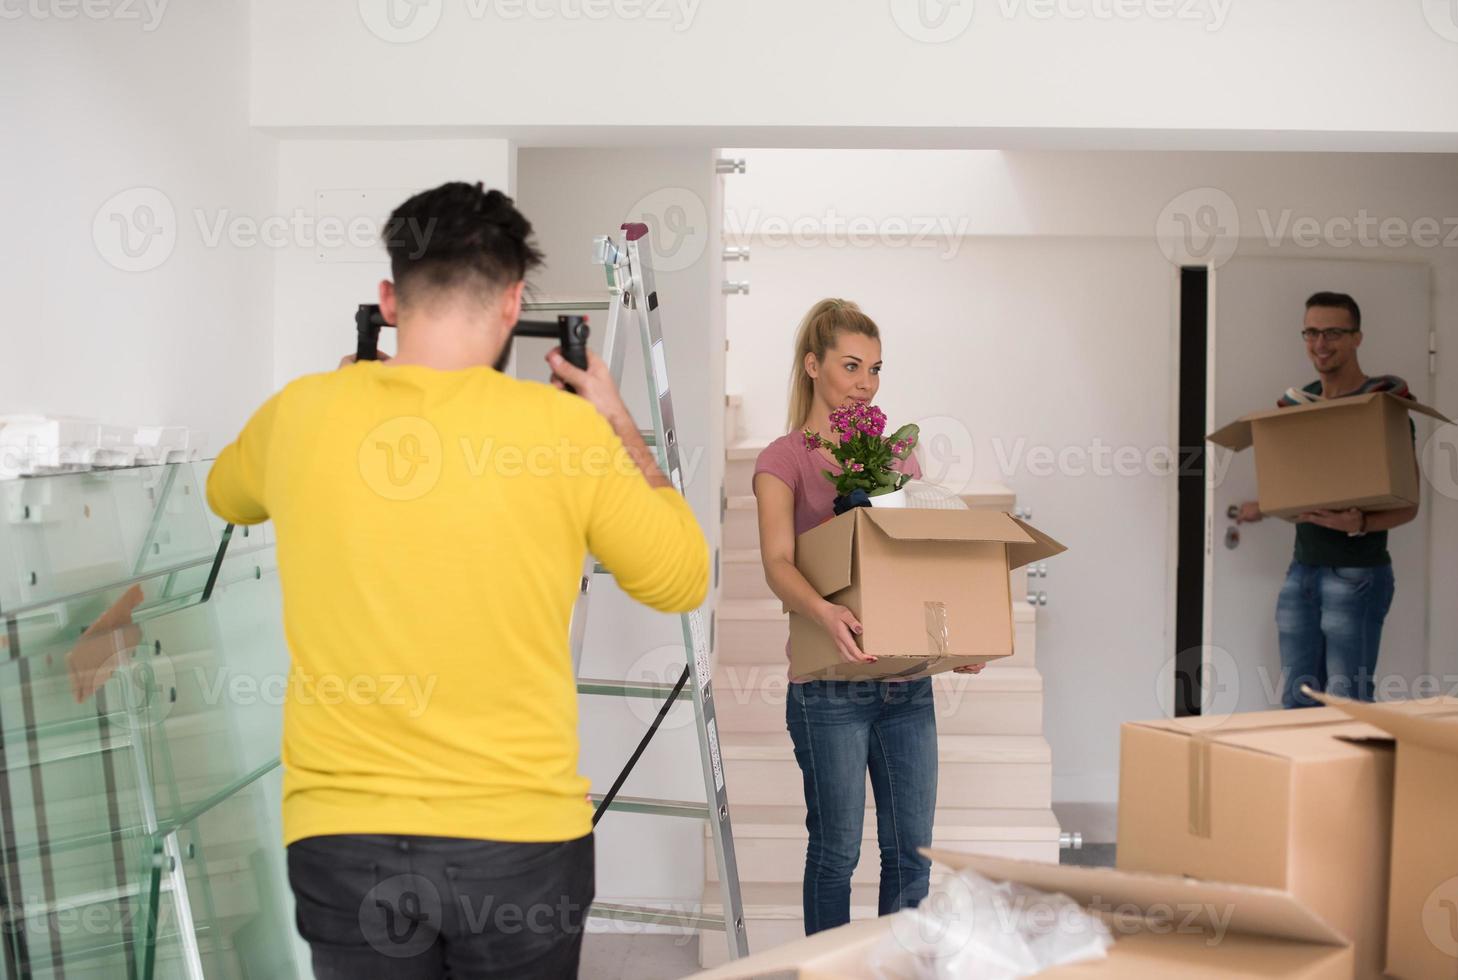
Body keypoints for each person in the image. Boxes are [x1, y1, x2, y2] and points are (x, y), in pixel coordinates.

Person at [206, 181, 709, 978]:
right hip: (518, 845)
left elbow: (224, 496)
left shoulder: (298, 413)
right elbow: (681, 578)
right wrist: (619, 427)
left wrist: (340, 391)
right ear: (512, 304)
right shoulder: (565, 433)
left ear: (388, 299)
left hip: (343, 842)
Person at [750, 298, 983, 936]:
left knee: (911, 857)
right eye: (852, 366)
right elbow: (777, 562)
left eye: (876, 369)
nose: (866, 383)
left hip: (905, 686)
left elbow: (918, 564)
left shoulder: (897, 456)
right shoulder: (784, 459)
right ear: (811, 366)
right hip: (829, 689)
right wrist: (825, 612)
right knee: (836, 854)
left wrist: (950, 640)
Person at [1235, 291, 1419, 709]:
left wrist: (1358, 524)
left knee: (1346, 702)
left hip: (1357, 576)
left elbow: (1409, 506)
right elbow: (1307, 487)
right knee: (1297, 699)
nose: (1321, 344)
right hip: (1302, 571)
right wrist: (1268, 505)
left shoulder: (1382, 407)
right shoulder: (1301, 405)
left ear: (1357, 338)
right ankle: (1307, 777)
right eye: (1312, 332)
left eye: (1333, 332)